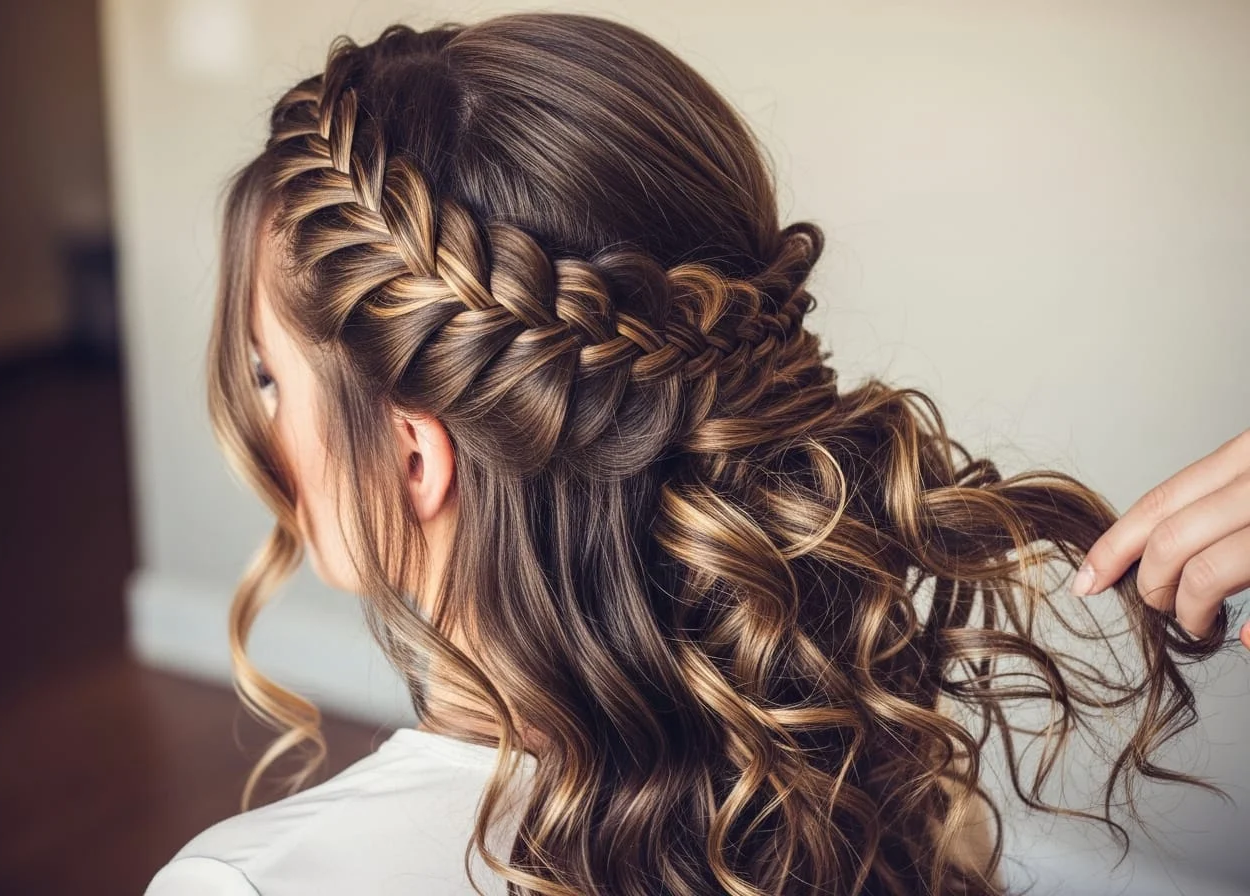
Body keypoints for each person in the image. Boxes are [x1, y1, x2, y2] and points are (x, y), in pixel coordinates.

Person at [143, 12, 1247, 896]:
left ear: (412, 454)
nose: (260, 418)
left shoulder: (248, 882)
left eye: (270, 374)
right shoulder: (868, 791)